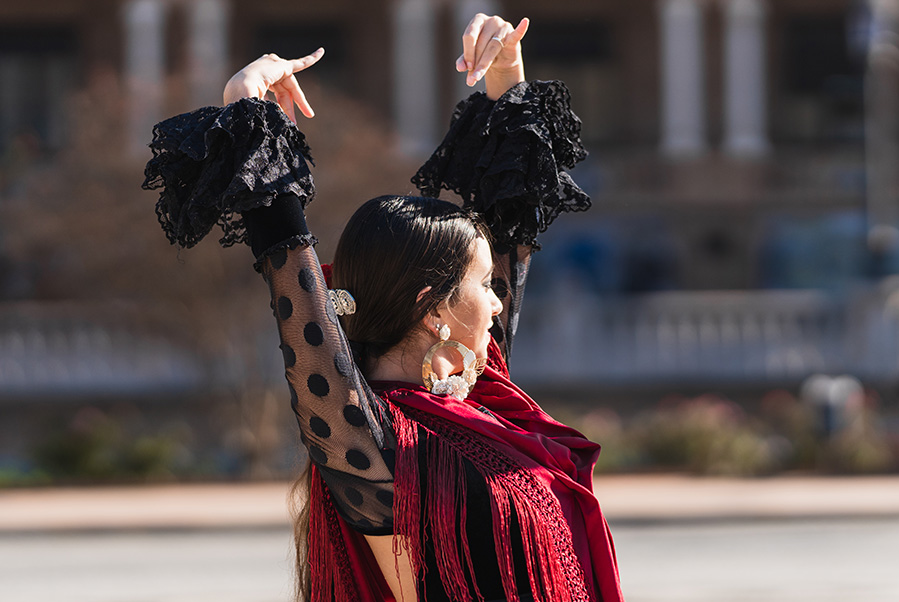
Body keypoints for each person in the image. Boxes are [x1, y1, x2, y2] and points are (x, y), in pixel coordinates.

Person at [143, 14, 622, 602]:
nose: (499, 299)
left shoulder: (487, 407)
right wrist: (248, 111)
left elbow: (514, 218)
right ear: (432, 309)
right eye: (482, 283)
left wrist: (507, 77)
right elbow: (296, 289)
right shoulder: (374, 444)